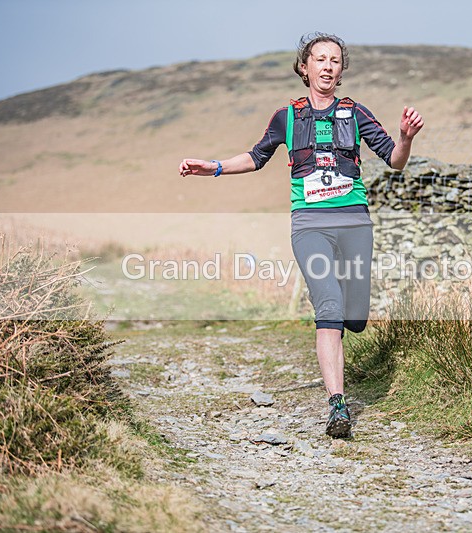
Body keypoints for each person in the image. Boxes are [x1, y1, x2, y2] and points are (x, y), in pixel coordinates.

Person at [179, 32, 423, 438]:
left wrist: (406, 139)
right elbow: (256, 156)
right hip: (309, 223)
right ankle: (338, 406)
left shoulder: (356, 112)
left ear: (341, 70)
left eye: (335, 60)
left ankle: (349, 324)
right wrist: (215, 166)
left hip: (354, 221)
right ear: (304, 67)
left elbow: (395, 163)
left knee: (355, 316)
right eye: (320, 59)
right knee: (328, 305)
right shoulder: (286, 117)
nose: (327, 66)